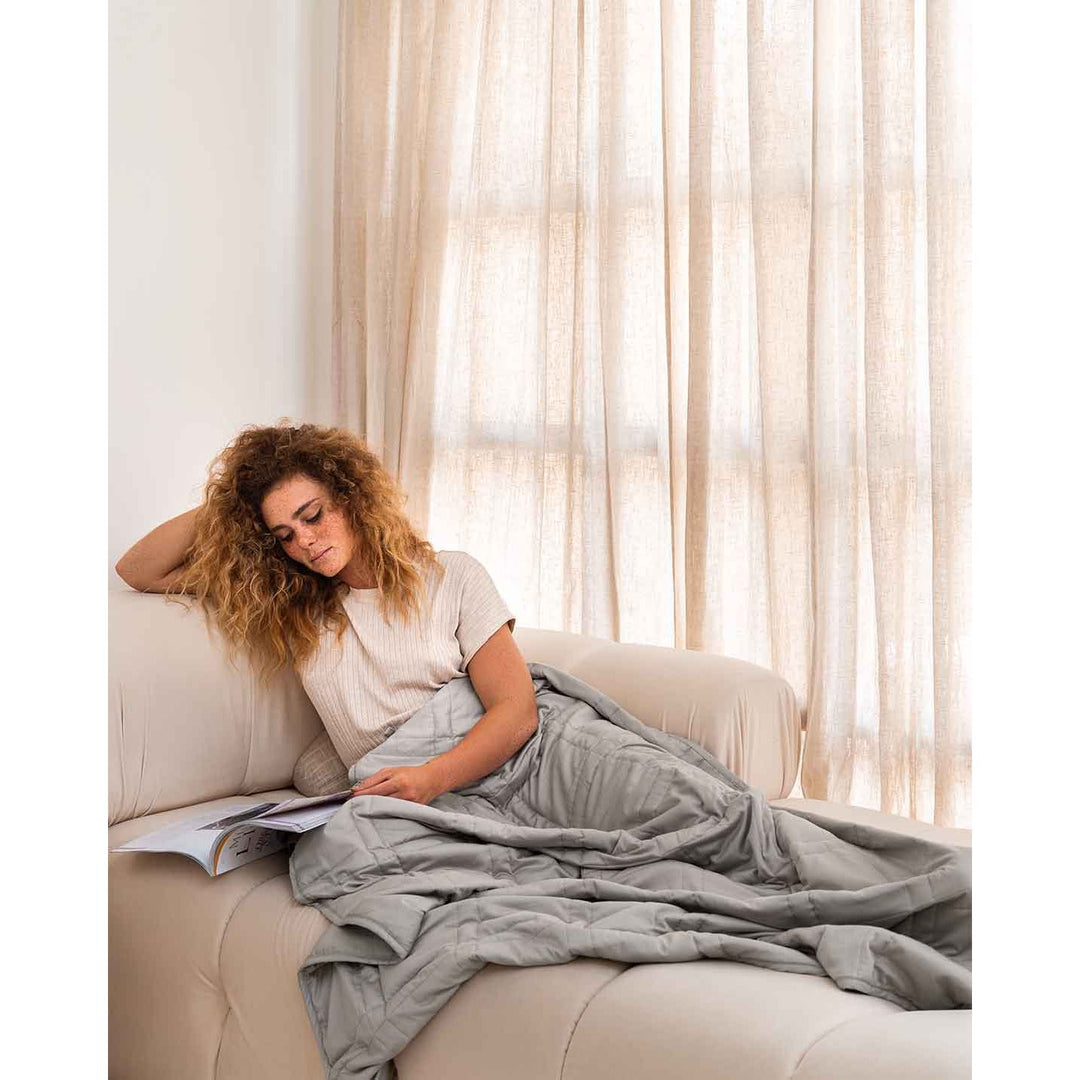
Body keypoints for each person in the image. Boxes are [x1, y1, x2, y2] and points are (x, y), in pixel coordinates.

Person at [115, 421, 538, 805]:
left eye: (312, 516)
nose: (305, 541)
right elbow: (137, 570)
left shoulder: (454, 575)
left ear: (352, 496)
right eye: (285, 534)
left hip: (496, 763)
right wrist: (234, 499)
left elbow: (517, 710)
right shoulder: (292, 602)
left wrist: (430, 778)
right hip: (400, 788)